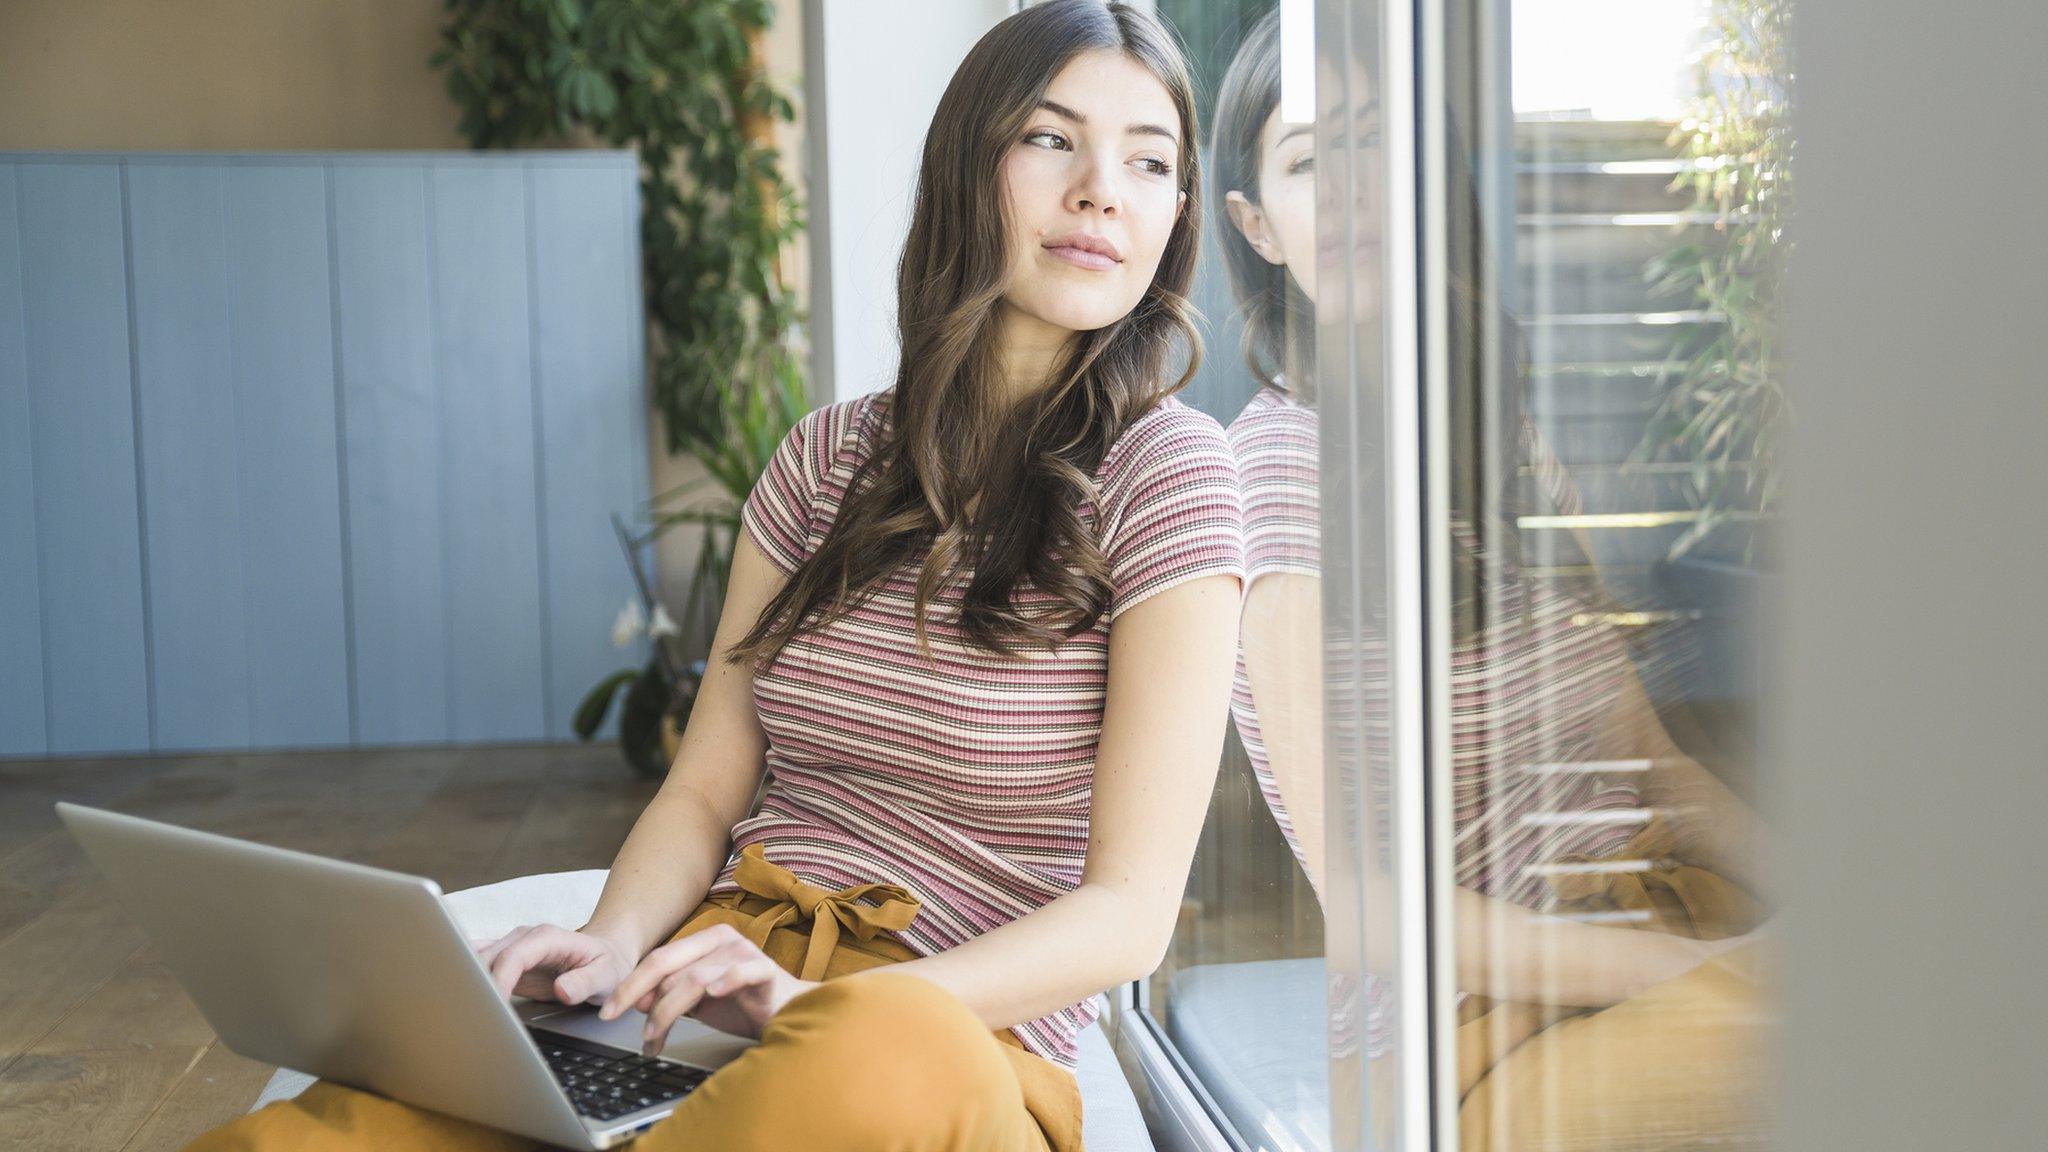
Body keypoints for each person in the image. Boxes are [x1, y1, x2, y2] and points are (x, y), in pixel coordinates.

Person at [182, 3, 1242, 1150]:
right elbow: (701, 790)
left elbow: (1128, 916)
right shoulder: (825, 458)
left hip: (943, 1029)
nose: (1101, 190)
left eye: (1148, 161)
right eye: (1050, 140)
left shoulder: (1171, 474)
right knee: (325, 1131)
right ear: (965, 165)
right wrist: (612, 944)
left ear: (1175, 214)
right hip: (707, 982)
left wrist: (832, 1005)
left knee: (881, 1059)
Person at [1209, 8, 1772, 1149]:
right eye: (1316, 160)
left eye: (1380, 146)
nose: (1359, 189)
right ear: (1256, 223)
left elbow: (1658, 772)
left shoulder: (1489, 436)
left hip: (1638, 933)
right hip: (1459, 1042)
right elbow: (1373, 910)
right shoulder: (1269, 480)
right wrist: (1691, 969)